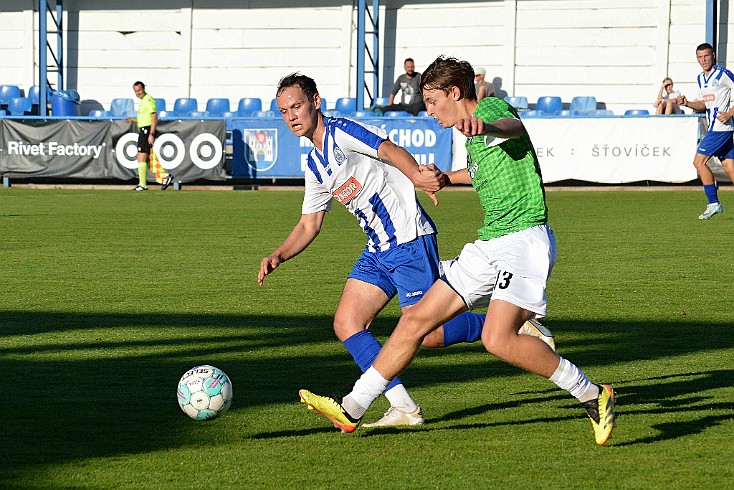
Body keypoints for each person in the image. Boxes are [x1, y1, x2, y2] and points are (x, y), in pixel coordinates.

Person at [298, 56, 616, 446]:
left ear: (454, 93)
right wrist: (449, 177)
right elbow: (483, 171)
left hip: (524, 241)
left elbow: (515, 128)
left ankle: (592, 394)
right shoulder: (470, 138)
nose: (428, 110)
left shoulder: (489, 110)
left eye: (432, 101)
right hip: (489, 243)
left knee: (498, 340)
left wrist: (488, 125)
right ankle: (352, 408)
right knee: (416, 324)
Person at [260, 72, 555, 427]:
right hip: (377, 249)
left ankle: (518, 327)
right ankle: (403, 406)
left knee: (428, 334)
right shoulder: (315, 165)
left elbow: (389, 149)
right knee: (347, 323)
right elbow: (310, 223)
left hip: (409, 239)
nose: (291, 116)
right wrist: (280, 254)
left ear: (316, 102)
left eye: (297, 106)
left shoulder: (342, 132)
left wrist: (417, 175)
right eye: (283, 111)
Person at [676, 43, 734, 219]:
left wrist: (730, 113)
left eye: (706, 56)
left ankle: (713, 203)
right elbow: (703, 104)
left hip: (720, 128)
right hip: (715, 127)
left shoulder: (723, 74)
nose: (703, 60)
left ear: (713, 55)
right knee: (729, 165)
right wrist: (687, 104)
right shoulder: (701, 78)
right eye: (700, 57)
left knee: (698, 162)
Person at [127, 81, 173, 191]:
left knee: (142, 157)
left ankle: (143, 185)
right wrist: (132, 120)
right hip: (143, 130)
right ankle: (164, 177)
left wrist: (151, 134)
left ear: (143, 89)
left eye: (139, 90)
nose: (137, 93)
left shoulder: (148, 100)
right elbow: (143, 118)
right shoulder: (142, 101)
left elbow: (154, 118)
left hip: (147, 130)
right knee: (143, 157)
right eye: (136, 91)